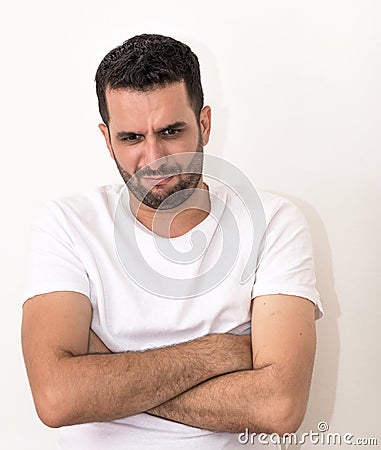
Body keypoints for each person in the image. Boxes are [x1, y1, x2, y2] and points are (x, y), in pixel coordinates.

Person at [21, 34, 323, 450]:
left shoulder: (272, 221)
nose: (154, 157)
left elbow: (278, 406)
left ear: (204, 124)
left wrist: (103, 373)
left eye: (170, 131)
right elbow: (57, 399)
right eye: (130, 138)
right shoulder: (68, 224)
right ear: (107, 139)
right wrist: (218, 354)